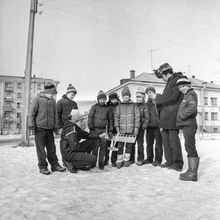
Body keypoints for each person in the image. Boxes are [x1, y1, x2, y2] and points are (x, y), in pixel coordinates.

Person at [150, 63, 184, 171]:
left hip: (172, 115)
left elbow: (172, 97)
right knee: (166, 142)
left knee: (174, 141)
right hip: (165, 117)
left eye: (163, 77)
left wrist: (157, 97)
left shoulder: (177, 80)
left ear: (168, 73)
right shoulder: (170, 82)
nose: (163, 80)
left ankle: (177, 164)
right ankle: (169, 161)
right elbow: (166, 98)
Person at [29, 82, 66, 175]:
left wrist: (56, 127)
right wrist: (31, 126)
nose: (53, 95)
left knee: (51, 148)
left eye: (54, 94)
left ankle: (54, 165)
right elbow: (32, 113)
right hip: (39, 128)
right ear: (46, 92)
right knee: (41, 149)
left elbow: (55, 115)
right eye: (51, 93)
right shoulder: (37, 99)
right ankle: (42, 166)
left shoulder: (53, 101)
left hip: (50, 129)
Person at [176, 76, 200, 181]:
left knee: (190, 147)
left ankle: (193, 173)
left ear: (188, 85)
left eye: (183, 86)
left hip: (189, 124)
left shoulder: (190, 94)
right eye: (180, 87)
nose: (181, 89)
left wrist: (181, 116)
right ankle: (191, 170)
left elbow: (192, 108)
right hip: (187, 124)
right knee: (188, 146)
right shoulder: (187, 95)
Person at [115, 86, 140, 168]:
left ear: (129, 96)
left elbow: (137, 117)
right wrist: (117, 128)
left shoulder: (134, 105)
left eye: (127, 95)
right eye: (124, 95)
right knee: (120, 146)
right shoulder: (119, 106)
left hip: (131, 129)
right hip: (121, 130)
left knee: (129, 146)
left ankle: (126, 160)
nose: (126, 97)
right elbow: (116, 117)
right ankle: (119, 161)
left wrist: (136, 129)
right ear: (122, 96)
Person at [88, 90, 114, 170]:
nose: (102, 101)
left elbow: (111, 120)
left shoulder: (108, 108)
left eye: (104, 99)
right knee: (95, 147)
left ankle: (101, 163)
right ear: (98, 99)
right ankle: (93, 162)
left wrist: (110, 130)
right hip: (95, 130)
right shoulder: (94, 107)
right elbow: (90, 117)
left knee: (103, 147)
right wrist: (91, 128)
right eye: (101, 99)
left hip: (104, 130)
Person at [57, 84, 78, 166]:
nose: (73, 96)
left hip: (72, 126)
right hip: (64, 127)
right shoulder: (60, 102)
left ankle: (70, 160)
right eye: (71, 94)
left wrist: (77, 119)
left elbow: (76, 115)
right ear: (67, 93)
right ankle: (64, 161)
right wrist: (59, 127)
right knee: (64, 144)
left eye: (74, 95)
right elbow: (57, 115)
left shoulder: (74, 103)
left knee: (72, 143)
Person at [144, 86, 163, 167]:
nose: (149, 94)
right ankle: (149, 158)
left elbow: (162, 113)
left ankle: (158, 160)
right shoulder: (146, 104)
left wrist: (161, 124)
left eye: (150, 92)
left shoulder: (158, 102)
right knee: (149, 143)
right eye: (147, 93)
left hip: (157, 126)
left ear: (154, 92)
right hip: (149, 127)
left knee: (158, 144)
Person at [104, 92, 121, 167]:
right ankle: (106, 160)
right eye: (112, 99)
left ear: (117, 99)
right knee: (107, 145)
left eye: (115, 99)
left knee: (116, 145)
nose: (114, 101)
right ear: (110, 100)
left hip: (117, 128)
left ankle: (113, 160)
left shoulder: (120, 106)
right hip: (109, 128)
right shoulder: (107, 107)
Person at [134, 87, 149, 166]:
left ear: (143, 98)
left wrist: (144, 126)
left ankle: (140, 158)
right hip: (133, 127)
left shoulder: (145, 106)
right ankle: (131, 158)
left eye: (140, 97)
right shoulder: (134, 105)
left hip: (140, 128)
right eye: (137, 97)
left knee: (140, 144)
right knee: (132, 143)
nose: (138, 99)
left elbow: (147, 117)